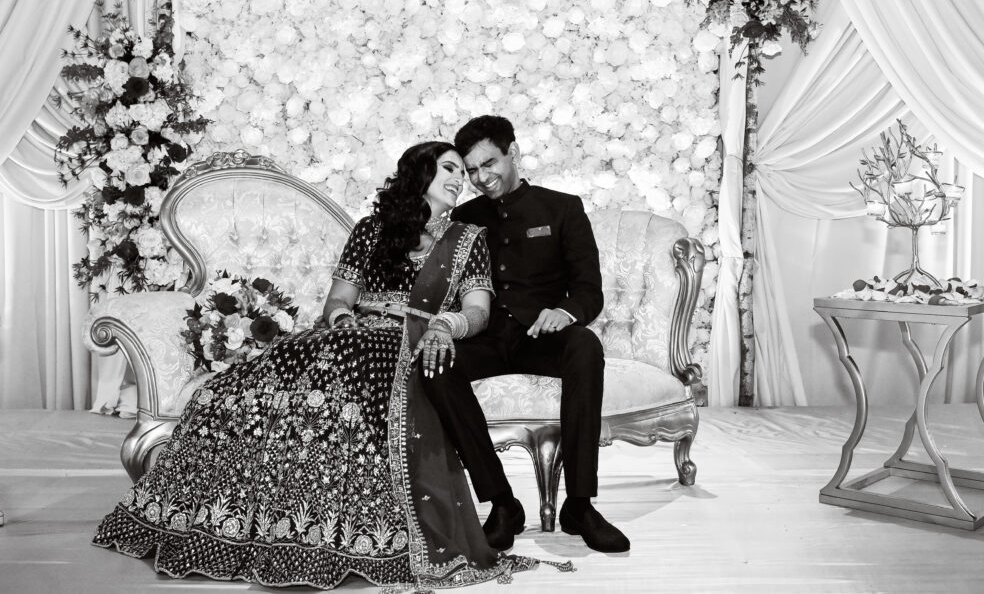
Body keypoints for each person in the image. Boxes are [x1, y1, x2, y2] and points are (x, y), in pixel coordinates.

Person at [93, 141, 570, 589]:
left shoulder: (468, 238)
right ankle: (268, 520)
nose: (460, 179)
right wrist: (343, 320)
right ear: (420, 174)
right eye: (449, 169)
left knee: (345, 369)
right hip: (352, 334)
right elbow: (339, 300)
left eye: (462, 172)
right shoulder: (371, 230)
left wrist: (446, 326)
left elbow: (478, 310)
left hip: (412, 339)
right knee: (245, 385)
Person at [422, 116, 630, 553]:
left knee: (585, 345)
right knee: (436, 366)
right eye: (472, 170)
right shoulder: (464, 217)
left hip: (541, 339)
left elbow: (589, 291)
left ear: (513, 153)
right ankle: (502, 503)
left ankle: (580, 505)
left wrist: (565, 312)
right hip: (484, 338)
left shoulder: (563, 208)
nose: (481, 178)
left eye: (489, 164)